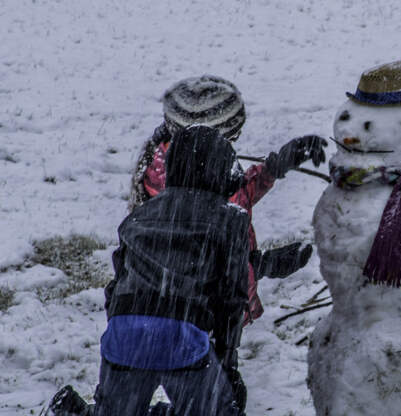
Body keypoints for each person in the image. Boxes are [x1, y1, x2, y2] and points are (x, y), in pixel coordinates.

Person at [79, 125, 276, 416]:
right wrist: (227, 364)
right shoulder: (229, 218)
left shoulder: (140, 216)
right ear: (220, 170)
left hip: (123, 334)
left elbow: (117, 286)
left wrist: (124, 337)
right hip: (181, 336)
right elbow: (230, 300)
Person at [129, 74, 327, 324]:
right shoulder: (171, 182)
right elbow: (200, 267)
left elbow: (234, 197)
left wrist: (274, 168)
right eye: (231, 137)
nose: (234, 143)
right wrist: (263, 264)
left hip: (201, 320)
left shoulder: (190, 163)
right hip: (193, 324)